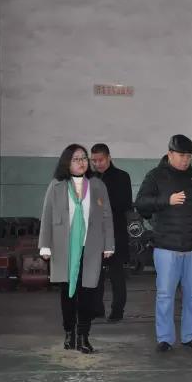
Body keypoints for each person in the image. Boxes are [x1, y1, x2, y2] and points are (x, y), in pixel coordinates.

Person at [135, 134, 192, 353]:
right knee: (165, 294)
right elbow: (141, 204)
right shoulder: (156, 176)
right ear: (170, 154)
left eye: (189, 156)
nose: (186, 160)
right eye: (182, 155)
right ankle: (165, 338)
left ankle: (189, 336)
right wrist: (166, 201)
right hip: (166, 247)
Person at [39, 144, 115, 354]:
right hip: (63, 247)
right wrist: (45, 245)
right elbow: (47, 215)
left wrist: (109, 244)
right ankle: (69, 332)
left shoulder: (97, 185)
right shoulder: (56, 186)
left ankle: (83, 335)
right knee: (67, 293)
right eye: (76, 159)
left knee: (88, 292)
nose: (81, 162)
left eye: (83, 158)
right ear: (67, 163)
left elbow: (107, 216)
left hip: (90, 246)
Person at [91, 143, 133, 322]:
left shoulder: (122, 177)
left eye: (100, 160)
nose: (97, 164)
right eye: (94, 161)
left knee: (116, 274)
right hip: (94, 233)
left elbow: (125, 204)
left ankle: (117, 311)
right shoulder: (90, 178)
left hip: (115, 232)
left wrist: (100, 203)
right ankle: (96, 309)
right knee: (95, 274)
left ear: (109, 158)